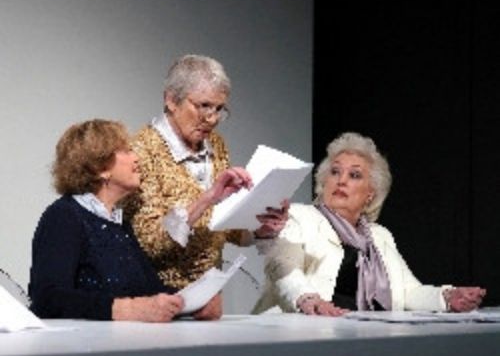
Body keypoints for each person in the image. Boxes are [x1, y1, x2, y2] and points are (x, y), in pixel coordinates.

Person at [126, 54, 288, 319]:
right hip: (156, 302)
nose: (211, 119)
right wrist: (207, 198)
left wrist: (261, 227)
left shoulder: (215, 146)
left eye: (219, 109)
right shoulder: (141, 151)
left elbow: (221, 227)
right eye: (203, 106)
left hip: (206, 304)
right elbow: (150, 242)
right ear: (171, 100)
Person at [253, 132, 486, 315]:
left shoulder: (379, 235)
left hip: (365, 334)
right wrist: (307, 300)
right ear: (323, 182)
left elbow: (407, 292)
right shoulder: (299, 216)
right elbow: (281, 266)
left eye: (354, 175)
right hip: (305, 332)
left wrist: (448, 297)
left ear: (370, 194)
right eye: (335, 172)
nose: (341, 180)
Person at [29, 119, 193, 322]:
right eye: (126, 151)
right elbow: (47, 298)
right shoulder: (64, 216)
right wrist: (125, 309)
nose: (137, 158)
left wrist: (191, 302)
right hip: (85, 341)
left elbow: (151, 289)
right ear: (100, 167)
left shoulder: (119, 224)